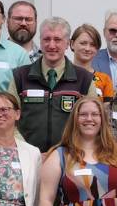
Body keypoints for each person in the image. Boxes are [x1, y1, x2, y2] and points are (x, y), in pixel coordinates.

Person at [11, 18, 97, 153]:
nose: (51, 45)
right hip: (27, 157)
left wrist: (69, 153)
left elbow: (93, 121)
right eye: (47, 39)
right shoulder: (20, 76)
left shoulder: (84, 79)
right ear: (40, 41)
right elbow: (9, 119)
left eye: (57, 40)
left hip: (70, 157)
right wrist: (27, 151)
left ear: (68, 43)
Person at [69, 24, 110, 99]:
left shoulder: (105, 79)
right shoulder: (61, 75)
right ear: (72, 44)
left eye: (93, 45)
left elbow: (106, 109)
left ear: (97, 49)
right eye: (83, 43)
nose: (87, 48)